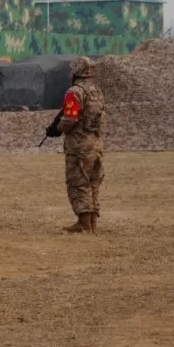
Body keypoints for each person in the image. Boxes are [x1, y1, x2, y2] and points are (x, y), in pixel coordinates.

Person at [58, 56, 106, 234]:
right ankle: (92, 222)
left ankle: (84, 224)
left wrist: (58, 128)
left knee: (78, 182)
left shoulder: (74, 92)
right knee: (93, 182)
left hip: (79, 144)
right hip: (95, 142)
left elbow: (70, 119)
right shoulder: (97, 91)